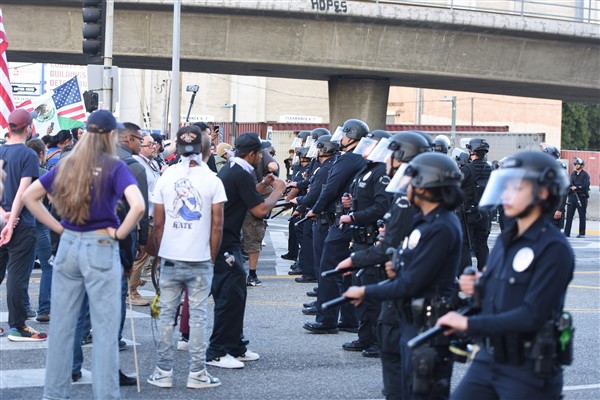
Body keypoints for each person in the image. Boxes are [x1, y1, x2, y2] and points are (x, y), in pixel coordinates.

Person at [22, 109, 145, 399]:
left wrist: (59, 227)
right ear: (110, 135)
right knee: (104, 331)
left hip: (69, 245)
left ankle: (54, 394)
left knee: (62, 328)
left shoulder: (68, 163)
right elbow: (138, 205)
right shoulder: (114, 166)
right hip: (101, 246)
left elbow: (30, 196)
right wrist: (120, 233)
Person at [436, 151, 574, 400]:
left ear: (543, 193)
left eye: (516, 188)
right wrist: (478, 287)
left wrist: (468, 324)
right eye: (505, 186)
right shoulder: (506, 240)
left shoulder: (554, 248)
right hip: (488, 359)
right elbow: (498, 296)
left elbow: (532, 315)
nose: (506, 195)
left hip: (527, 369)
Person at [343, 152, 464, 400]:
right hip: (412, 316)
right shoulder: (426, 221)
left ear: (425, 187)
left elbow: (412, 282)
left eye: (410, 181)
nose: (405, 187)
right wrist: (397, 266)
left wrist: (365, 291)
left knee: (423, 391)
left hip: (427, 321)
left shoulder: (441, 226)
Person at [147, 125, 226, 389]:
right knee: (199, 317)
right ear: (205, 149)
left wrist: (161, 253)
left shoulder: (166, 177)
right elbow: (217, 226)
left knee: (166, 316)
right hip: (200, 258)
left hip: (171, 256)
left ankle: (163, 371)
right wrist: (211, 257)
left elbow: (158, 224)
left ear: (178, 149)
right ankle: (197, 373)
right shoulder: (213, 180)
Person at [206, 132, 286, 369]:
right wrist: (278, 190)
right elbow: (259, 210)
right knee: (228, 297)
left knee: (237, 294)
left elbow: (246, 194)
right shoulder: (240, 173)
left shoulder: (234, 168)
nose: (262, 157)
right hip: (224, 241)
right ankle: (217, 351)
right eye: (260, 153)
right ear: (252, 154)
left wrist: (263, 185)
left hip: (228, 240)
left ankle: (235, 346)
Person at [303, 118, 370, 334]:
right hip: (351, 220)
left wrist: (315, 209)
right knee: (347, 273)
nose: (340, 138)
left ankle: (326, 319)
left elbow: (330, 188)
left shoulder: (348, 159)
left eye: (344, 134)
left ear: (351, 136)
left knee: (330, 270)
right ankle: (349, 319)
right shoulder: (362, 159)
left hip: (340, 220)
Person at [338, 130, 392, 357]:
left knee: (372, 294)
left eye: (370, 144)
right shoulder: (366, 170)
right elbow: (362, 199)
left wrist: (354, 217)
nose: (365, 148)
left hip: (371, 239)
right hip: (359, 239)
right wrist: (349, 204)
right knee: (360, 290)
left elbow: (381, 207)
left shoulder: (381, 172)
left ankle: (378, 341)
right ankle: (365, 337)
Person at [0, 109, 43, 341]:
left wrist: (4, 216)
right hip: (21, 223)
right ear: (28, 128)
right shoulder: (28, 155)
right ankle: (17, 326)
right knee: (17, 276)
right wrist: (12, 218)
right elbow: (22, 192)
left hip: (2, 219)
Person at [25, 138, 53, 324]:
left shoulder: (17, 172)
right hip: (41, 224)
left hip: (21, 224)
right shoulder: (43, 173)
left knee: (21, 269)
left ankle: (23, 306)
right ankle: (45, 308)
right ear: (41, 154)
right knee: (48, 266)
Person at [459, 138, 492, 271]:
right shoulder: (490, 169)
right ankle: (485, 273)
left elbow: (455, 188)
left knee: (465, 245)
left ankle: (465, 275)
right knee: (482, 244)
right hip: (485, 213)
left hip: (468, 214)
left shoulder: (466, 170)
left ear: (472, 151)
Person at [563, 157, 590, 238]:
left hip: (581, 197)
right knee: (569, 215)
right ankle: (566, 233)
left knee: (582, 215)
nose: (576, 165)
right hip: (572, 197)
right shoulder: (573, 174)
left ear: (581, 165)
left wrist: (577, 187)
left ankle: (582, 233)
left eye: (578, 164)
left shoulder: (585, 175)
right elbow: (569, 183)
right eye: (575, 164)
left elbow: (586, 186)